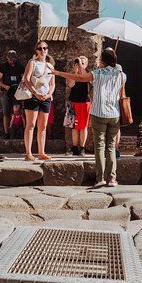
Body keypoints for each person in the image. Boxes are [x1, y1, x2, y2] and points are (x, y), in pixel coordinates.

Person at [52, 48, 124, 187]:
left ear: (102, 60)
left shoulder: (97, 74)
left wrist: (57, 73)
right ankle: (112, 179)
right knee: (110, 146)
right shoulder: (122, 75)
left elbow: (78, 78)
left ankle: (101, 178)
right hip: (114, 113)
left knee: (100, 146)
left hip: (99, 113)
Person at [22, 40, 55, 161]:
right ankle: (28, 153)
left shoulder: (50, 66)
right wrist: (35, 93)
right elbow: (26, 78)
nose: (43, 50)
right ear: (36, 50)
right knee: (31, 125)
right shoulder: (32, 63)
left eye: (45, 48)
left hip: (46, 98)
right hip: (32, 97)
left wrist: (48, 94)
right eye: (40, 48)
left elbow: (52, 84)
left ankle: (41, 152)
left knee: (43, 126)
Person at [0, 50, 25, 139]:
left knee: (17, 111)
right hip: (6, 91)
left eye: (13, 59)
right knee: (6, 112)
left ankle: (18, 132)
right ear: (7, 58)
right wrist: (4, 86)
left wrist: (20, 86)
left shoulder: (20, 66)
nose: (12, 61)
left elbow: (24, 78)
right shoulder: (3, 66)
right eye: (10, 59)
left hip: (17, 92)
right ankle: (6, 132)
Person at [67, 56, 91, 156]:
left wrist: (81, 69)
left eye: (82, 62)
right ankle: (74, 148)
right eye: (78, 62)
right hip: (74, 102)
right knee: (74, 126)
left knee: (83, 126)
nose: (80, 64)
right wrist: (76, 73)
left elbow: (86, 79)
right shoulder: (73, 74)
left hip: (85, 103)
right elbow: (70, 85)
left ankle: (82, 147)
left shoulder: (88, 74)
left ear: (86, 65)